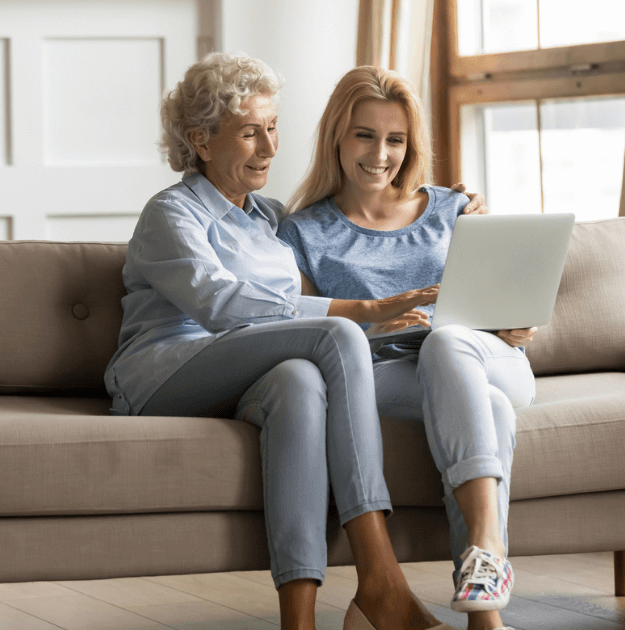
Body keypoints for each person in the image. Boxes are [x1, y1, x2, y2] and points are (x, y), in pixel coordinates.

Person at [104, 53, 474, 630]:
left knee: (300, 382)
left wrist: (449, 207)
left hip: (244, 368)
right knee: (337, 333)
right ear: (201, 141)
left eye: (273, 128)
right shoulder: (170, 214)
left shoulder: (269, 218)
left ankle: (297, 621)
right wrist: (362, 312)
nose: (269, 148)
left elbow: (344, 242)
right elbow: (219, 305)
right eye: (250, 133)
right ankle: (380, 577)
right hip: (165, 371)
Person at [278, 66, 538, 630]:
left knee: (448, 343)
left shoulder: (454, 209)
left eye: (395, 139)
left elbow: (497, 299)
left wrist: (512, 322)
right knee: (491, 411)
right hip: (384, 375)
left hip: (489, 360)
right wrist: (376, 323)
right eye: (365, 136)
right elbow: (300, 329)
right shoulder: (302, 233)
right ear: (337, 137)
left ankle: (486, 548)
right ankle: (486, 610)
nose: (381, 155)